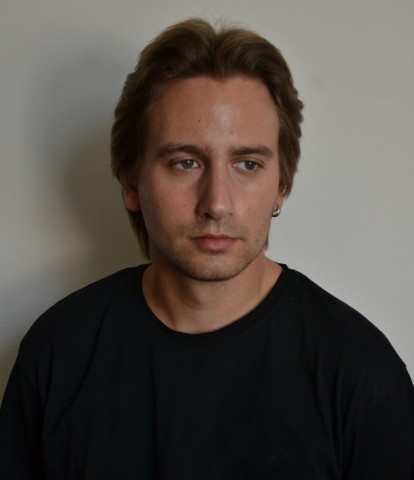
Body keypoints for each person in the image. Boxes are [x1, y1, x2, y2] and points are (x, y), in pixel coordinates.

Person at [0, 18, 413, 479]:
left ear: (281, 185)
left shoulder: (360, 372)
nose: (216, 203)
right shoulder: (58, 353)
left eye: (247, 163)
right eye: (186, 162)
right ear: (131, 183)